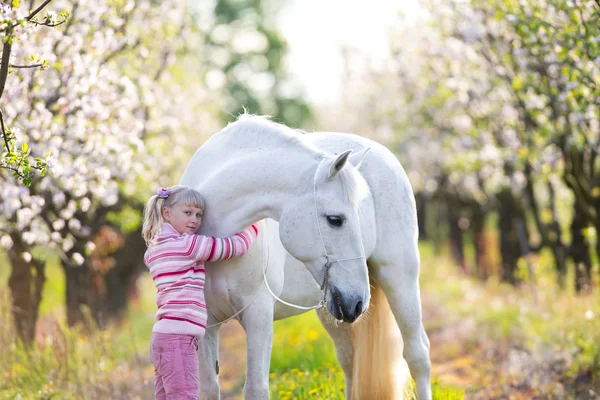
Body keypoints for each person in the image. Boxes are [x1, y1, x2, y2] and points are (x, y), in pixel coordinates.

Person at [142, 185, 259, 399]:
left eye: (199, 215)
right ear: (166, 214)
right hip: (178, 337)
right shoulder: (188, 245)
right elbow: (235, 247)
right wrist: (254, 226)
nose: (195, 220)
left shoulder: (154, 249)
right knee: (186, 395)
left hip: (161, 336)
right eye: (188, 213)